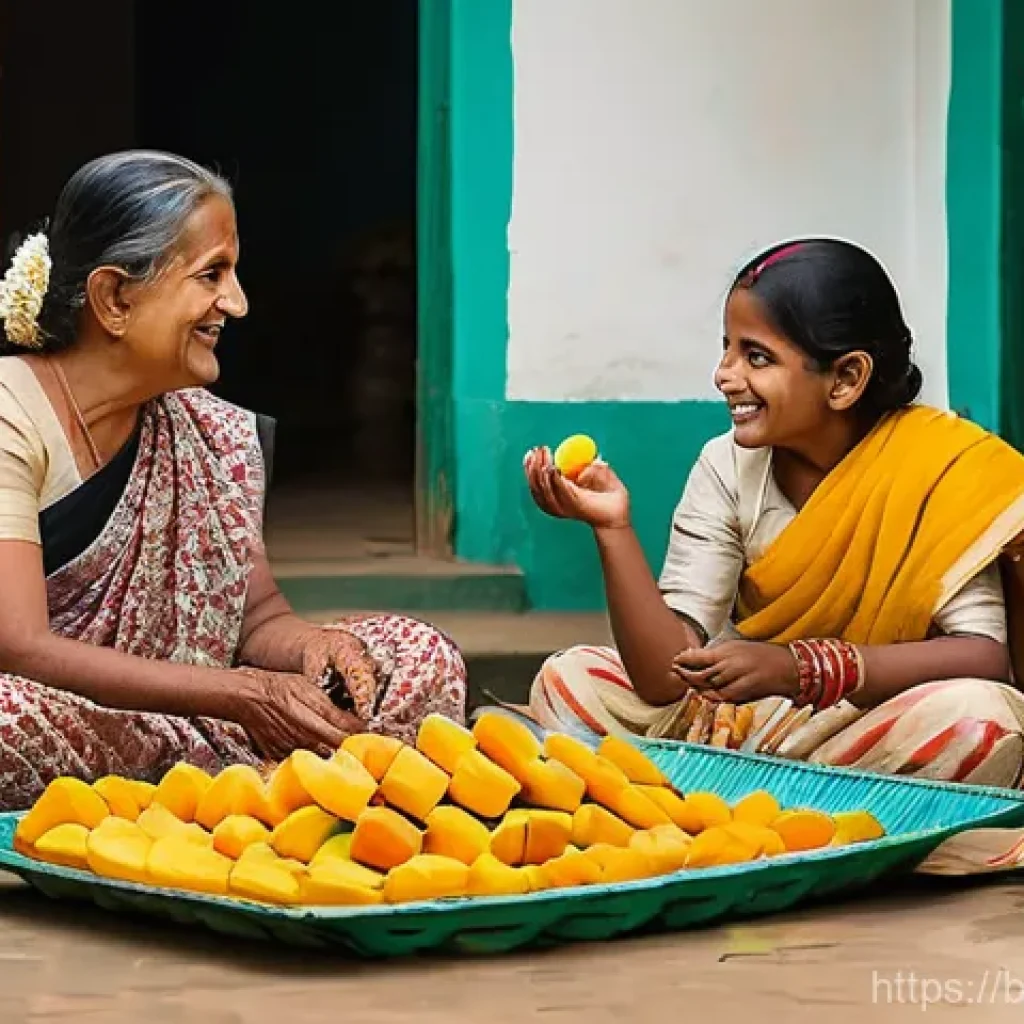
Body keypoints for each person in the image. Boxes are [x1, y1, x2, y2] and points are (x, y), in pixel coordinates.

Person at [0, 151, 465, 810]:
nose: (237, 304)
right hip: (74, 721)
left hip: (195, 721)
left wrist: (315, 648)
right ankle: (252, 789)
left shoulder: (210, 434)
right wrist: (242, 696)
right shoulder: (10, 414)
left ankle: (207, 793)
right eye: (212, 274)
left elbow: (259, 618)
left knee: (420, 655)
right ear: (114, 298)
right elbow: (19, 647)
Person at [523, 239, 1024, 799]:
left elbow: (983, 654)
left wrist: (806, 669)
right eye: (726, 349)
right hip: (739, 723)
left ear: (845, 378)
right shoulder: (726, 465)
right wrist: (612, 529)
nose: (723, 375)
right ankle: (801, 799)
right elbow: (666, 674)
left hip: (863, 721)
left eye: (755, 356)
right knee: (571, 681)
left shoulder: (937, 467)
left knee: (982, 718)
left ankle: (710, 794)